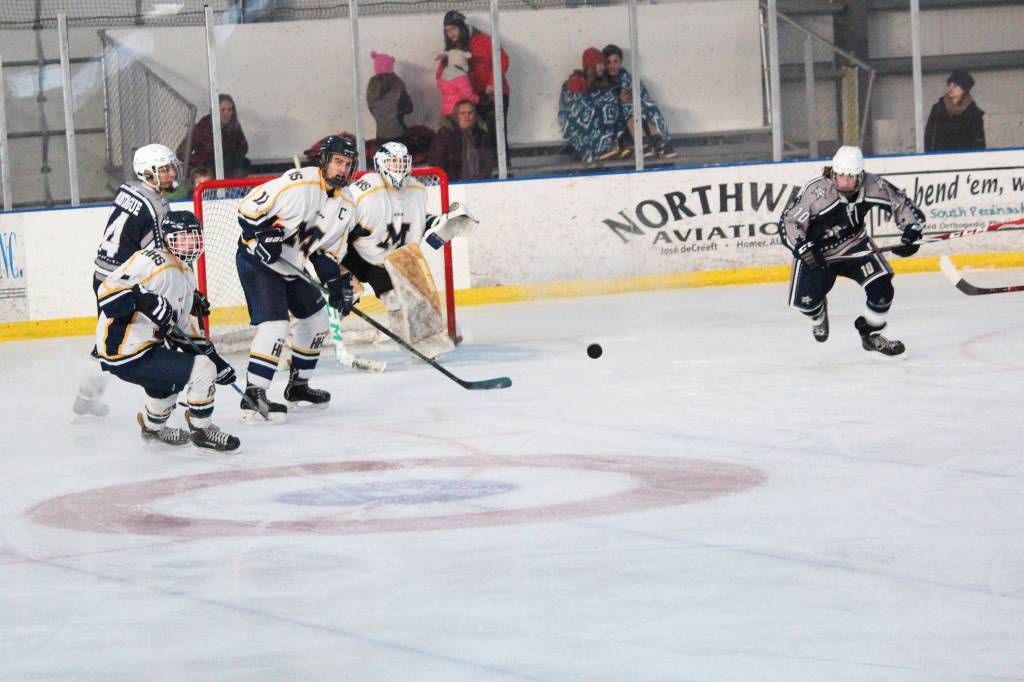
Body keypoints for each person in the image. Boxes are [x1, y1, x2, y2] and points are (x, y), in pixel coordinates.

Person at [234, 135, 357, 422]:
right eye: (338, 162)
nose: (343, 169)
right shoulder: (297, 184)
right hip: (258, 262)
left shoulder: (347, 205)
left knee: (317, 321)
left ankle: (298, 386)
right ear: (325, 161)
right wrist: (263, 234)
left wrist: (334, 285)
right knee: (276, 325)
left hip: (292, 266)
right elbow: (248, 208)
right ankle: (255, 394)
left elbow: (324, 253)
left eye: (348, 165)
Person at [94, 211, 240, 451]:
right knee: (202, 369)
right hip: (124, 349)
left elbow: (181, 329)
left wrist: (218, 360)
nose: (190, 242)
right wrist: (145, 301)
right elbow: (107, 292)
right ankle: (202, 430)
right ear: (166, 237)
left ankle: (153, 430)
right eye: (183, 237)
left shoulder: (186, 274)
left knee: (173, 380)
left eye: (194, 236)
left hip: (146, 348)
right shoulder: (149, 260)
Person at [318, 141, 478, 359]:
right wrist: (338, 268)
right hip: (352, 253)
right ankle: (304, 338)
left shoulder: (417, 190)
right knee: (344, 297)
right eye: (392, 162)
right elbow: (336, 228)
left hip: (386, 260)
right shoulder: (364, 189)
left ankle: (421, 348)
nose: (397, 168)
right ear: (380, 164)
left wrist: (443, 222)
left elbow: (418, 224)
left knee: (401, 300)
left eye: (401, 162)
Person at [779, 145, 926, 357]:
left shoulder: (873, 185)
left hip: (854, 244)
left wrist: (912, 231)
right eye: (839, 176)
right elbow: (789, 221)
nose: (844, 182)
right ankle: (818, 315)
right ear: (833, 172)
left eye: (850, 177)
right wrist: (803, 246)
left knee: (882, 289)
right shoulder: (816, 192)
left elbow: (900, 203)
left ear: (860, 175)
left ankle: (871, 335)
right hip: (818, 254)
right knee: (806, 303)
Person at [73, 143, 183, 420]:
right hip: (119, 284)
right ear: (148, 173)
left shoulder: (129, 189)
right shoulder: (155, 207)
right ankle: (162, 397)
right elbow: (159, 255)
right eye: (164, 169)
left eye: (170, 167)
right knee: (121, 342)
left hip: (103, 276)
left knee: (107, 340)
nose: (171, 173)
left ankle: (85, 399)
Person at [443, 10, 510, 153]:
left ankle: (503, 170)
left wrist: (492, 84)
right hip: (473, 98)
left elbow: (503, 60)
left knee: (496, 135)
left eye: (454, 28)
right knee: (477, 137)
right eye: (447, 30)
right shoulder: (453, 48)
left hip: (495, 96)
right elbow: (441, 73)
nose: (451, 33)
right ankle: (482, 170)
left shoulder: (484, 40)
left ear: (463, 27)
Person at [602, 44, 676, 159]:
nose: (612, 66)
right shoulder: (602, 83)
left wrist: (634, 97)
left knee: (644, 104)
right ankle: (645, 142)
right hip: (620, 126)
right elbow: (602, 106)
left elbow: (644, 96)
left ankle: (657, 140)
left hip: (640, 117)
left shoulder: (630, 79)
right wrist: (618, 100)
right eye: (608, 62)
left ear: (621, 62)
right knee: (628, 107)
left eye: (615, 61)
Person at [558, 48, 622, 163]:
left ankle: (608, 147)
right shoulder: (575, 81)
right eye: (599, 64)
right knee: (596, 113)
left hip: (595, 115)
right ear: (591, 65)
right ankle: (593, 152)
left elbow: (607, 98)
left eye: (603, 64)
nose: (602, 67)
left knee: (610, 107)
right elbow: (572, 104)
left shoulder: (600, 82)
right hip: (577, 120)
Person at [178, 94, 251, 178]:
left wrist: (229, 157)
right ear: (215, 111)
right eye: (222, 110)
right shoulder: (203, 126)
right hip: (206, 167)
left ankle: (231, 187)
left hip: (226, 166)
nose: (226, 114)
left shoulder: (234, 126)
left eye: (229, 110)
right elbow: (181, 152)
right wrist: (202, 161)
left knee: (245, 164)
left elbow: (244, 147)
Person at [428, 99, 496, 182]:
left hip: (480, 183)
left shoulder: (482, 136)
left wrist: (480, 179)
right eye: (462, 113)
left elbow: (488, 161)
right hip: (452, 185)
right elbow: (437, 162)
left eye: (470, 113)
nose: (466, 116)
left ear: (475, 115)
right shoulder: (444, 136)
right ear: (456, 116)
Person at [925, 69, 986, 152]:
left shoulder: (974, 113)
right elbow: (929, 136)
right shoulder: (938, 109)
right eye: (949, 85)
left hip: (964, 160)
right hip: (940, 159)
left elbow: (978, 143)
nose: (951, 88)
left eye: (955, 86)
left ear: (964, 89)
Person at [367, 51, 413, 144]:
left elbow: (371, 108)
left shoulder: (371, 85)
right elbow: (409, 109)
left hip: (381, 135)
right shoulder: (397, 84)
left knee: (385, 157)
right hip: (398, 134)